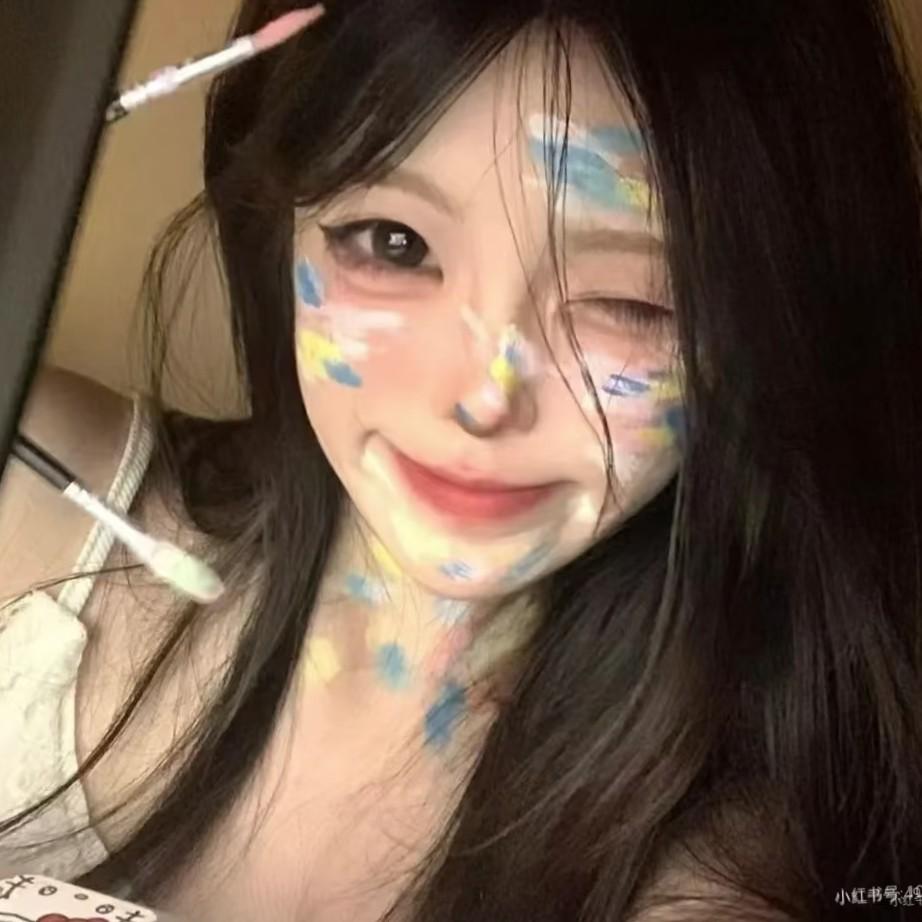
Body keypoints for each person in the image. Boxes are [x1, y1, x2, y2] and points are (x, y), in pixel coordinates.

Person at [2, 0, 922, 919]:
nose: (482, 396)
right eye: (393, 245)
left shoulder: (712, 876)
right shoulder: (30, 496)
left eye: (634, 300)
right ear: (278, 225)